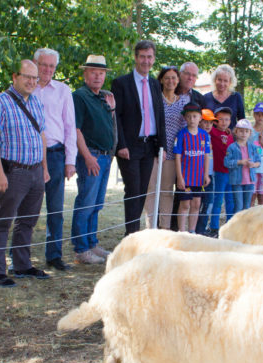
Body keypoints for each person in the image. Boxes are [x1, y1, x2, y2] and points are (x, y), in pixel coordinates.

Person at [0, 59, 51, 287]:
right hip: (12, 171)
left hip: (35, 172)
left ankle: (22, 265)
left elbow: (42, 136)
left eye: (35, 78)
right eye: (27, 77)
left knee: (28, 222)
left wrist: (44, 167)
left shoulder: (36, 103)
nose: (32, 81)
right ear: (15, 76)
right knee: (2, 222)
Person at [111, 40, 166, 235]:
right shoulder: (121, 83)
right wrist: (121, 145)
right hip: (129, 146)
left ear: (153, 59)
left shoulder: (154, 84)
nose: (146, 61)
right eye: (142, 56)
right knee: (133, 190)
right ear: (135, 58)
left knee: (143, 190)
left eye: (149, 57)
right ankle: (131, 234)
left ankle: (136, 234)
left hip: (149, 145)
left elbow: (159, 115)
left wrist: (163, 146)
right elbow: (115, 116)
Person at [32, 48, 77, 271]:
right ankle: (19, 257)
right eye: (43, 65)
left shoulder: (63, 91)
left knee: (55, 209)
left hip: (56, 155)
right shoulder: (26, 89)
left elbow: (70, 126)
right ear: (35, 64)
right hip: (29, 156)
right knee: (27, 209)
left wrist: (71, 160)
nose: (47, 70)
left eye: (51, 66)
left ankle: (54, 255)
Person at [71, 55, 117, 264]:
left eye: (101, 73)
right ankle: (81, 249)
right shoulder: (80, 96)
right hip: (92, 155)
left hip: (106, 156)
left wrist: (112, 108)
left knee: (96, 204)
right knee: (86, 202)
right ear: (85, 74)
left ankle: (92, 243)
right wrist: (87, 157)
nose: (98, 76)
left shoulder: (103, 97)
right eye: (93, 72)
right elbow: (76, 129)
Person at [144, 66, 190, 229]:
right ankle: (151, 227)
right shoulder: (154, 100)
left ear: (178, 81)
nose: (171, 81)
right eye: (167, 77)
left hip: (173, 154)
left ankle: (165, 228)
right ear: (161, 80)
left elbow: (188, 128)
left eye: (174, 78)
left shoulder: (184, 101)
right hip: (155, 151)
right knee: (150, 189)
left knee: (166, 191)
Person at [173, 103, 210, 232]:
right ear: (185, 118)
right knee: (185, 204)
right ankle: (182, 231)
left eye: (195, 116)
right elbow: (177, 157)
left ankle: (192, 230)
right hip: (186, 178)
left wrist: (206, 174)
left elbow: (206, 156)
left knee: (196, 204)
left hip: (198, 178)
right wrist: (179, 177)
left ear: (200, 117)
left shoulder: (204, 135)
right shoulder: (181, 135)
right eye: (188, 116)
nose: (192, 119)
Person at [208, 106, 235, 237]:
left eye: (227, 119)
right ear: (215, 121)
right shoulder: (212, 132)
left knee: (230, 200)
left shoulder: (230, 135)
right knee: (218, 200)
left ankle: (230, 226)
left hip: (230, 172)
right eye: (221, 119)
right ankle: (214, 227)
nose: (224, 122)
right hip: (218, 172)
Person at [224, 119, 261, 213]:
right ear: (236, 132)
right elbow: (227, 162)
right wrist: (240, 162)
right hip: (237, 182)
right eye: (241, 131)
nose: (243, 133)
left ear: (250, 133)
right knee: (238, 205)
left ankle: (245, 226)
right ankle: (237, 226)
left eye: (246, 131)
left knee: (247, 206)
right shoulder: (232, 147)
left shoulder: (253, 147)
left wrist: (253, 164)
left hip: (250, 181)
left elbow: (258, 161)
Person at [195, 109, 217, 235]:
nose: (208, 125)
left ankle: (201, 229)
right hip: (200, 176)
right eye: (205, 122)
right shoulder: (198, 136)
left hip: (210, 175)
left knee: (208, 203)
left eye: (211, 122)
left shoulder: (208, 136)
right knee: (200, 204)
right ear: (199, 122)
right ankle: (198, 231)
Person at [204, 64, 245, 130]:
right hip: (211, 139)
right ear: (215, 80)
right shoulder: (206, 98)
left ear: (230, 82)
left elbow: (242, 121)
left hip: (231, 138)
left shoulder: (236, 97)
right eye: (219, 80)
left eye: (225, 81)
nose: (222, 84)